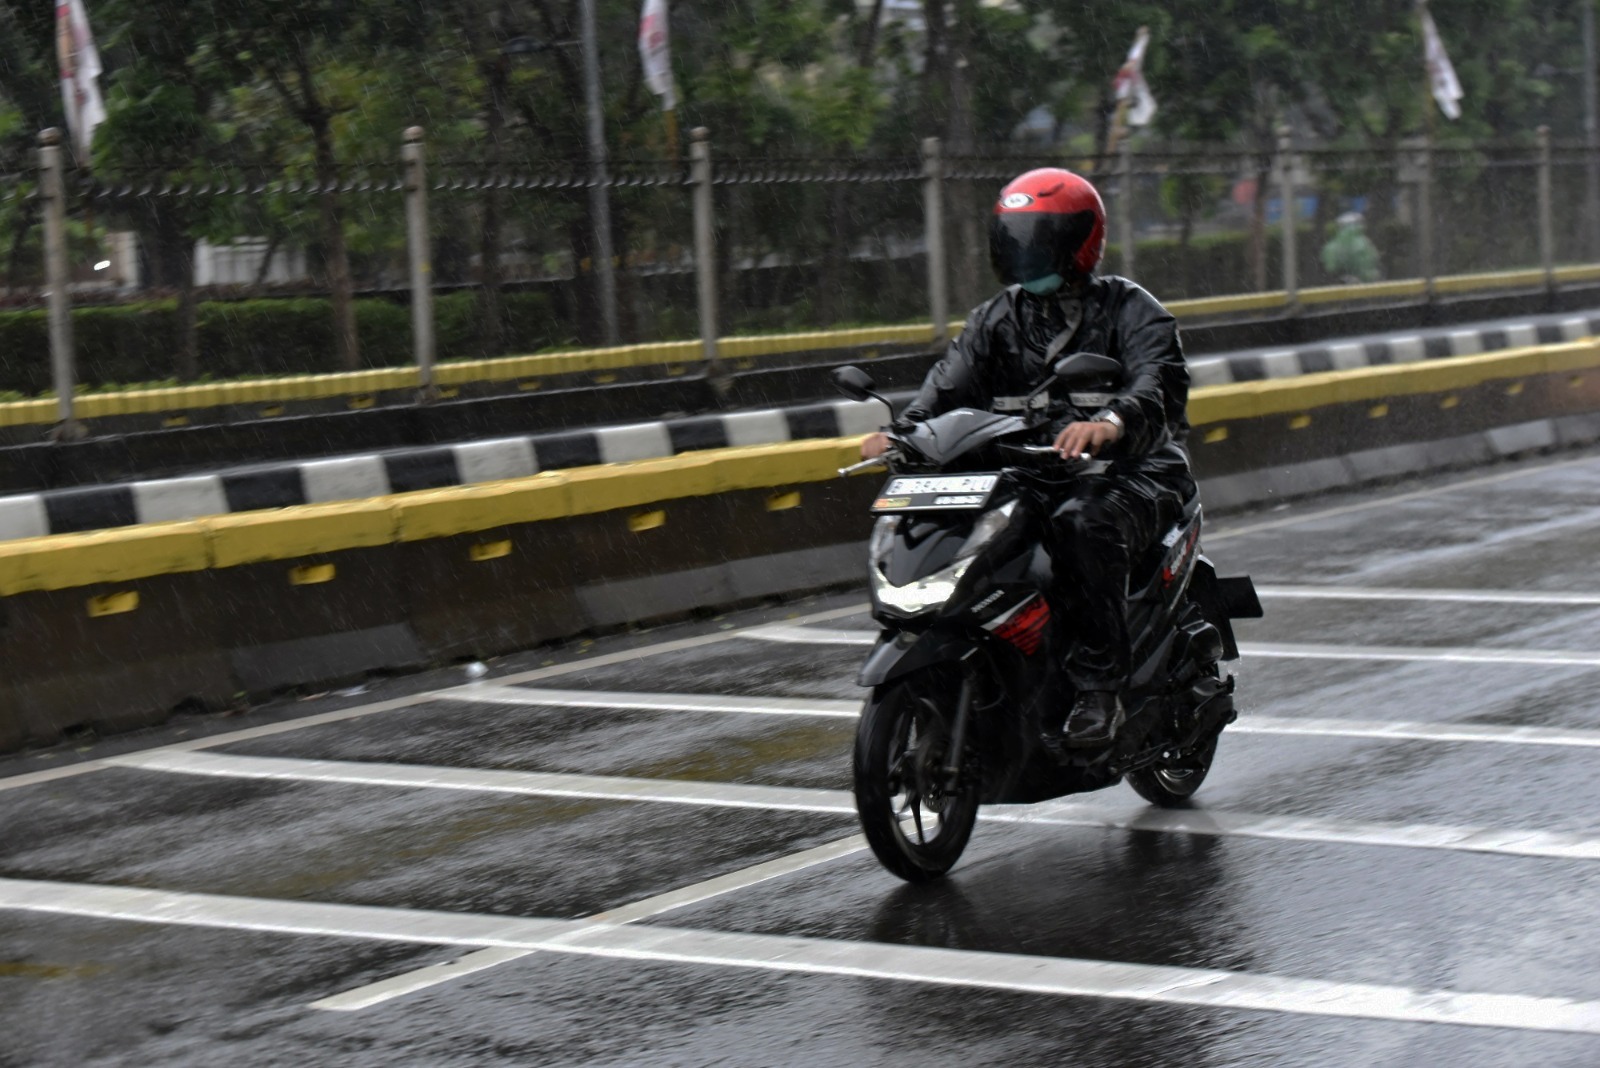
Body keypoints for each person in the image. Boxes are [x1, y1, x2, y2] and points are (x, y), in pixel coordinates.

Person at [859, 167, 1194, 749]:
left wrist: (1110, 423)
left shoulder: (1129, 309)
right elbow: (945, 388)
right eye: (1015, 237)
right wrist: (902, 434)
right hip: (1031, 471)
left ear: (1078, 242)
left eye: (1039, 238)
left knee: (1078, 525)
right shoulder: (997, 319)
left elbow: (1157, 383)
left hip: (1131, 473)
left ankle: (1099, 688)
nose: (1024, 252)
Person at [1320, 210, 1381, 284]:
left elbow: (1330, 267)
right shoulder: (1365, 242)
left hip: (1337, 286)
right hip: (1368, 285)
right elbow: (1371, 264)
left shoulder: (1332, 245)